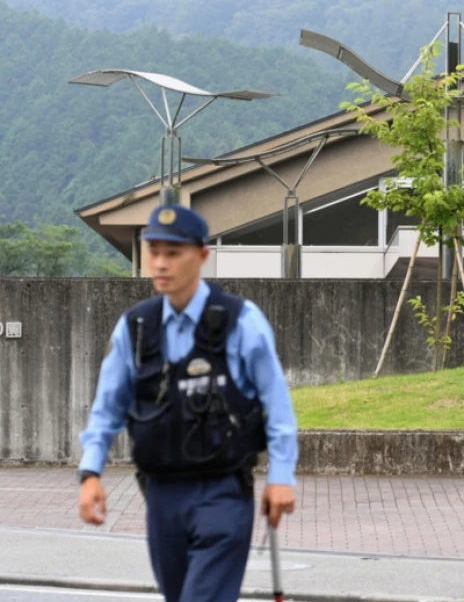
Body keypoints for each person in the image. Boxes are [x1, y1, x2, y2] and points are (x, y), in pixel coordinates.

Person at [77, 204, 299, 602]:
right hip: (161, 494)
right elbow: (108, 405)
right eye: (153, 251)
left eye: (173, 253)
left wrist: (281, 475)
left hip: (223, 491)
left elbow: (277, 404)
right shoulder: (135, 328)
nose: (160, 263)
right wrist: (90, 471)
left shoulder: (241, 321)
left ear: (201, 256)